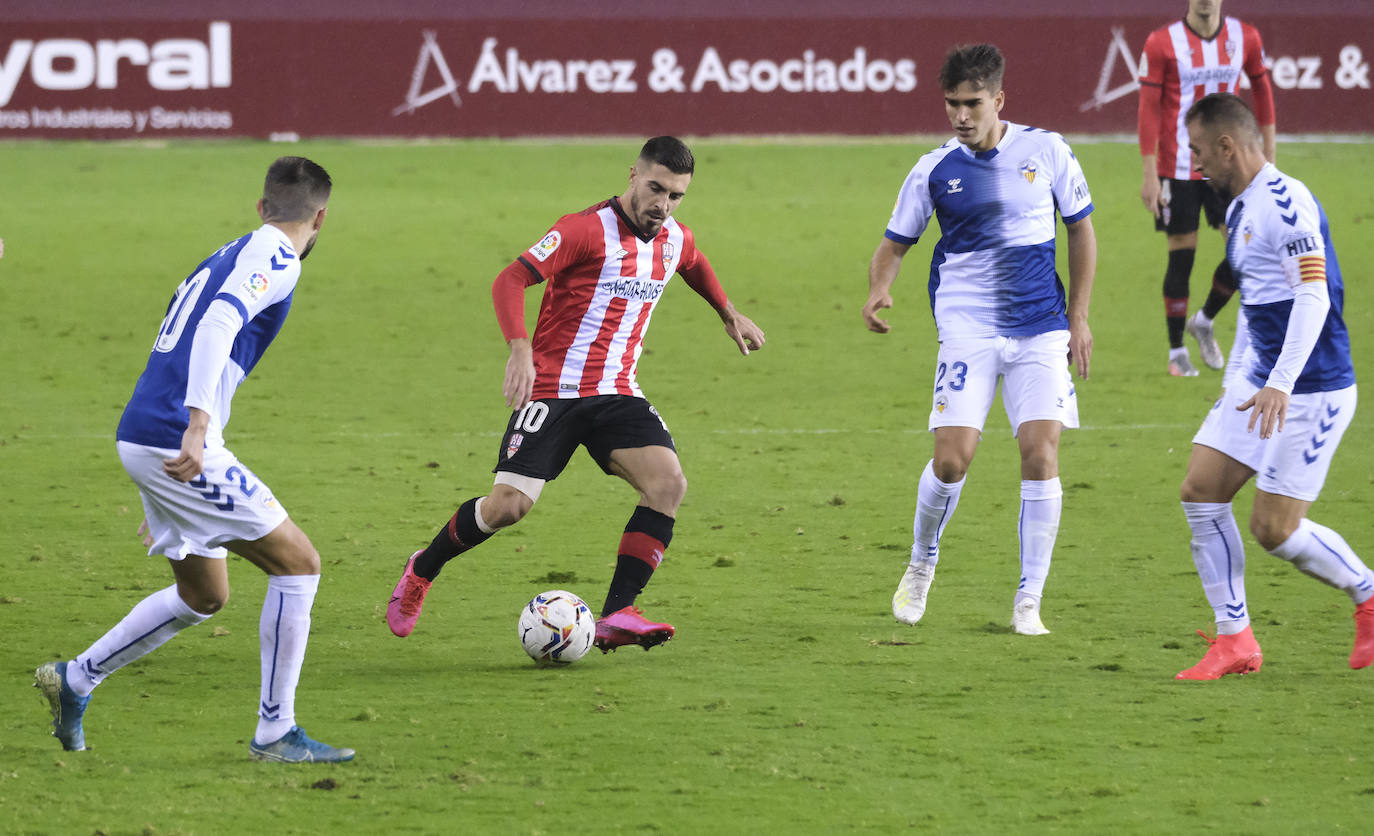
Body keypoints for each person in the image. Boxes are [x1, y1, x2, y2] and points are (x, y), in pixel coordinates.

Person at [387, 136, 765, 650]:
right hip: (553, 390)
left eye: (676, 196)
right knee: (507, 508)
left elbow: (693, 263)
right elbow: (511, 279)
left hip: (617, 392)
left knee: (667, 485)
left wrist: (728, 312)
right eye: (656, 188)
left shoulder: (675, 238)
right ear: (632, 174)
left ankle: (617, 613)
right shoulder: (583, 230)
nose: (663, 205)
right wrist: (519, 348)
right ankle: (423, 568)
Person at [33, 157, 354, 762]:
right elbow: (216, 324)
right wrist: (198, 426)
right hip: (174, 434)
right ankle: (275, 733)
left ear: (262, 207)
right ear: (322, 219)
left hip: (147, 433)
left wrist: (162, 484)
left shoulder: (230, 251)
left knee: (204, 595)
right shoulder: (276, 260)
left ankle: (74, 680)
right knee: (299, 564)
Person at [862, 44, 1097, 636]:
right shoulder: (934, 169)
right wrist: (879, 289)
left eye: (972, 103)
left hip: (1042, 327)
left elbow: (1082, 232)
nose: (961, 115)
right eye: (952, 104)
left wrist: (1080, 317)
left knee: (1042, 453)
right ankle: (921, 563)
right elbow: (894, 244)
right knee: (951, 458)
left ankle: (1029, 599)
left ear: (999, 99)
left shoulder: (1047, 150)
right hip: (967, 330)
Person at [1174, 92, 1373, 679]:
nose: (1195, 164)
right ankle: (1235, 640)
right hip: (1261, 383)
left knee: (1274, 530)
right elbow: (1259, 308)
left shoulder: (1284, 205)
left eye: (1199, 151)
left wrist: (1281, 384)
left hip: (1313, 390)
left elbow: (1314, 294)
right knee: (1201, 489)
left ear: (1228, 146)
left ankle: (1368, 594)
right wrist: (1237, 382)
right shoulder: (1240, 207)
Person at [1138, 0, 1275, 377]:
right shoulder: (1162, 42)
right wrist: (1150, 172)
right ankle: (1177, 350)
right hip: (1176, 167)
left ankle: (1205, 318)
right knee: (1181, 257)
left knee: (1244, 252)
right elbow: (1149, 107)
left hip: (1226, 166)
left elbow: (1262, 91)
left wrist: (1268, 152)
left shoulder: (1244, 37)